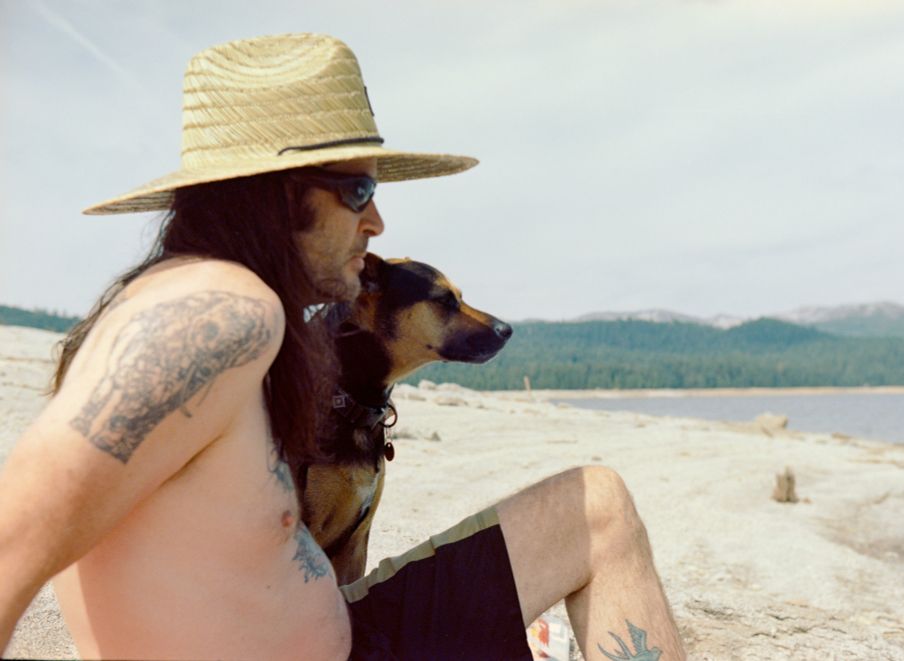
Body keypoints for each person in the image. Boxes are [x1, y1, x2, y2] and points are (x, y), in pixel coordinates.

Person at [0, 33, 686, 660]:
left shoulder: (210, 309)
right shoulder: (220, 312)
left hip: (350, 631)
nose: (377, 222)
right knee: (601, 511)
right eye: (359, 191)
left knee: (595, 506)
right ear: (275, 196)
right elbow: (11, 537)